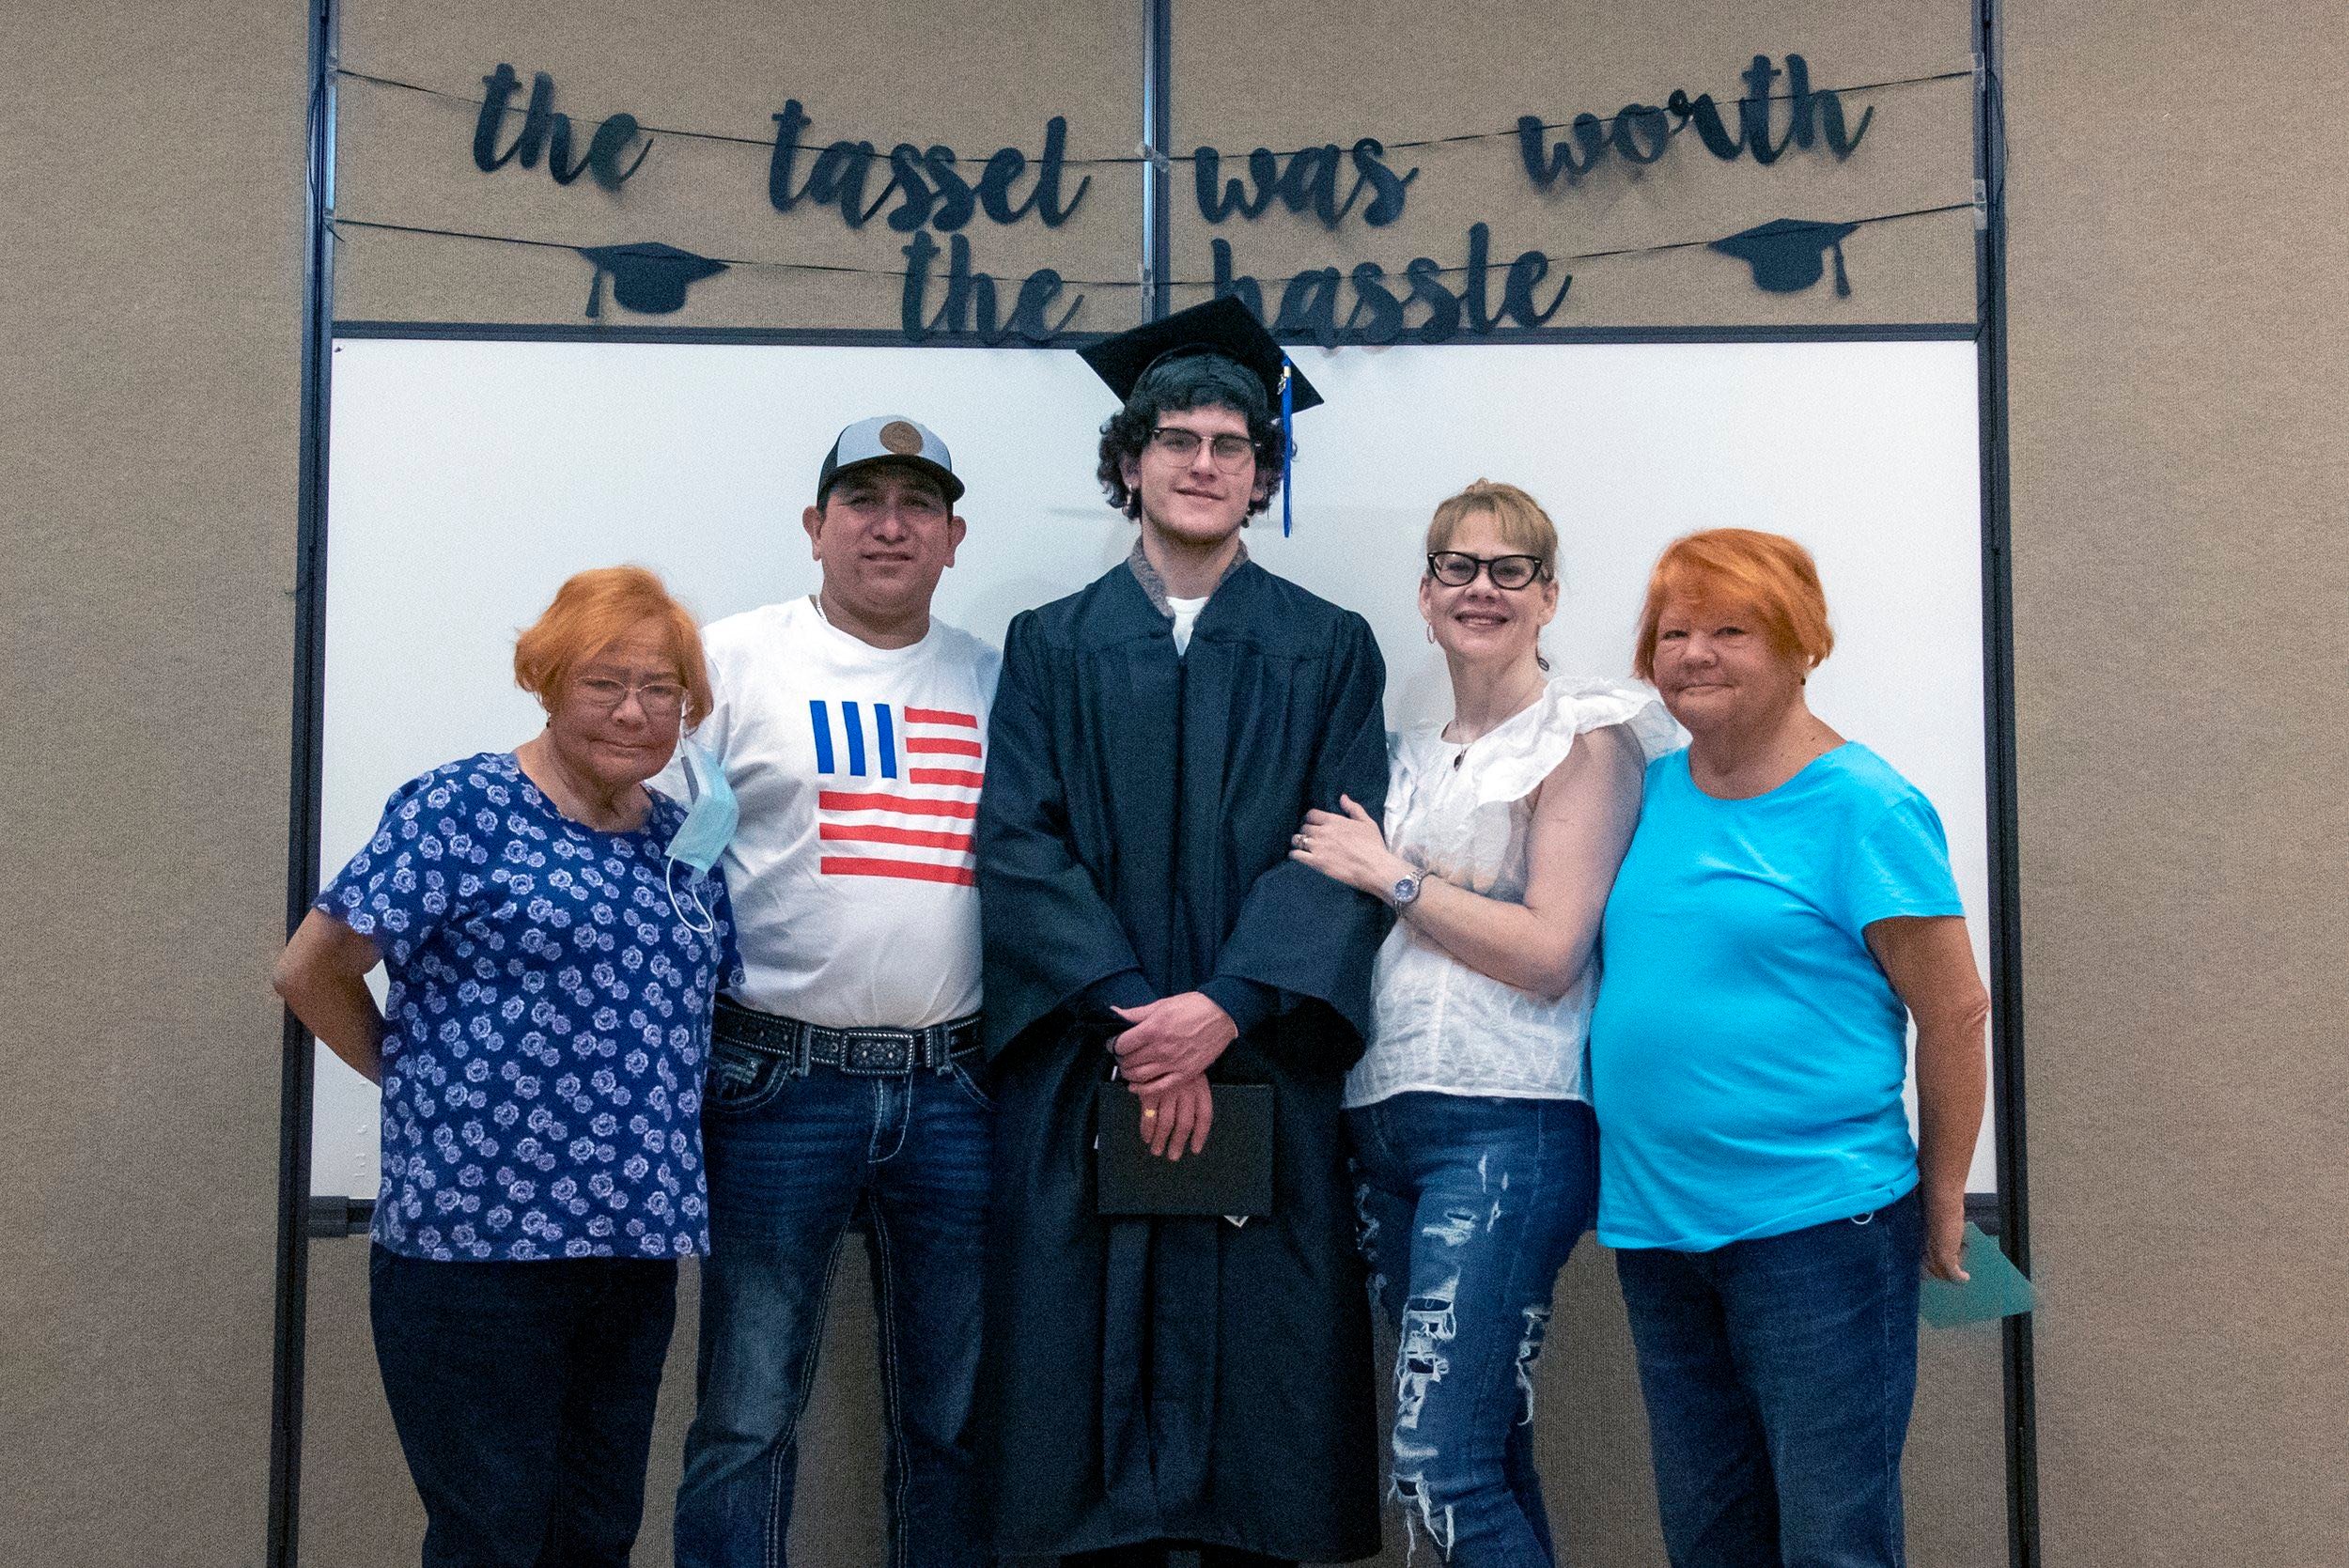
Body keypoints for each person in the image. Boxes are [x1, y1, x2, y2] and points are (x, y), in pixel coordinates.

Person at [975, 296, 1392, 1567]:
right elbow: (1017, 842)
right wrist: (1133, 1013)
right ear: (1131, 463)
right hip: (1090, 1062)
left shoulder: (1330, 648)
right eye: (1178, 440)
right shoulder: (1051, 646)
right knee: (1069, 1387)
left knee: (1264, 1397)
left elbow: (1342, 846)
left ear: (1265, 476)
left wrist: (1222, 1011)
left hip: (1258, 1057)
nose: (1204, 462)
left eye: (1231, 443)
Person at [272, 565, 740, 1568]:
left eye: (660, 689)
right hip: (472, 1251)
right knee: (492, 1533)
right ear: (548, 679)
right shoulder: (461, 807)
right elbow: (311, 970)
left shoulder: (681, 844)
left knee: (596, 1532)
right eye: (603, 681)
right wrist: (417, 1078)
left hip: (629, 1248)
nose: (633, 709)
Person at [1587, 528, 1990, 1568]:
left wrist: (1943, 1196)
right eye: (1673, 632)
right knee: (1708, 1536)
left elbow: (1953, 1014)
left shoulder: (1863, 804)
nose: (1693, 654)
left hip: (1819, 1229)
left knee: (1831, 1540)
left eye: (1731, 630)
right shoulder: (1651, 791)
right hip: (1657, 1231)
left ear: (1803, 645)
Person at [1290, 480, 1674, 1565]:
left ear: (1549, 596)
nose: (1481, 589)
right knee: (1484, 1448)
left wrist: (1393, 877)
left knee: (1433, 1465)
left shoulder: (1584, 738)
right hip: (1382, 1130)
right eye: (1458, 567)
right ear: (1423, 593)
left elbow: (1552, 953)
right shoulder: (1398, 755)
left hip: (1510, 1126)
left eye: (1511, 570)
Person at [671, 415, 1001, 1568]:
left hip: (956, 1088)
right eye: (862, 500)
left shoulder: (995, 679)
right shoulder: (727, 664)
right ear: (816, 527)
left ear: (954, 539)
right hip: (774, 1083)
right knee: (746, 1414)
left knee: (955, 1417)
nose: (890, 524)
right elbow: (656, 859)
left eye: (918, 504)